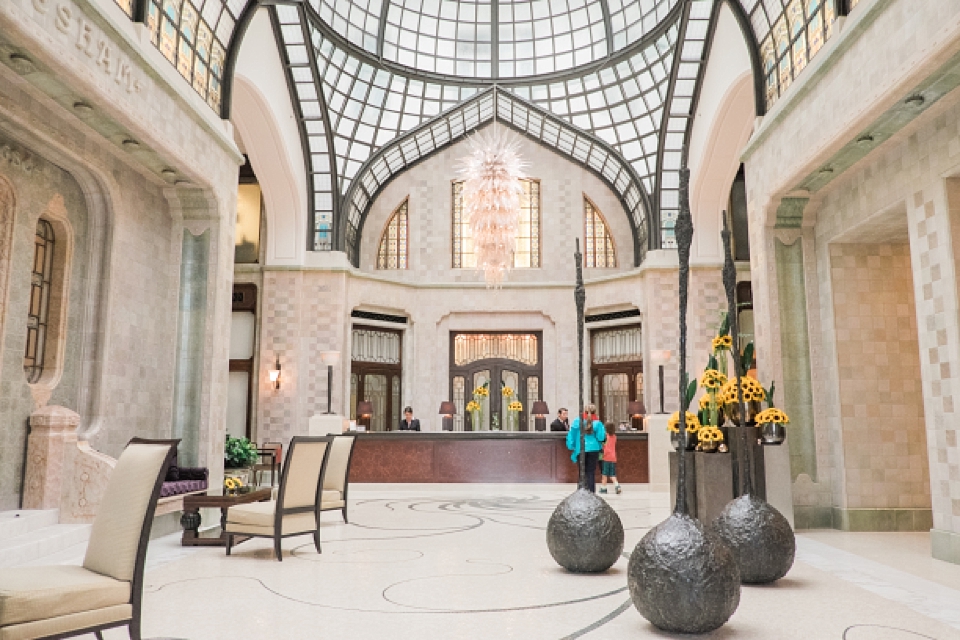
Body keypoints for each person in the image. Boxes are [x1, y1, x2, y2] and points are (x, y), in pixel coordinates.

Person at [566, 403, 605, 493]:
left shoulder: (577, 421)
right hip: (594, 449)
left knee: (582, 472)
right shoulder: (598, 423)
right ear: (595, 412)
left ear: (584, 411)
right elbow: (601, 437)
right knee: (591, 472)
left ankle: (581, 492)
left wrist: (571, 445)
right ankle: (591, 493)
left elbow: (571, 435)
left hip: (581, 448)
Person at [599, 423, 621, 494]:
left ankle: (603, 488)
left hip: (606, 457)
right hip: (613, 457)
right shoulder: (614, 437)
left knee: (604, 474)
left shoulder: (605, 437)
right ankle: (617, 485)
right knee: (612, 474)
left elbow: (603, 445)